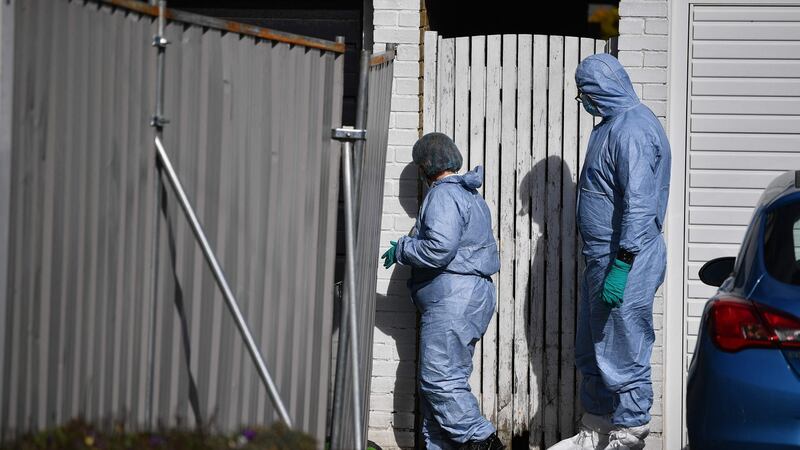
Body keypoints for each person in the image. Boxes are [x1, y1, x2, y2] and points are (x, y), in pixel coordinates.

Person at [549, 54, 671, 450]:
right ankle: (597, 426)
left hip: (625, 260)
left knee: (623, 348)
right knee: (593, 348)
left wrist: (622, 264)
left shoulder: (632, 130)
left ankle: (630, 433)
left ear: (599, 89)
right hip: (602, 258)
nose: (582, 100)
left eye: (583, 93)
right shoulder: (609, 127)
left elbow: (639, 204)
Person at [381, 132, 504, 450]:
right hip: (469, 297)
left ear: (424, 166)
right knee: (446, 382)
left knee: (438, 381)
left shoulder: (443, 196)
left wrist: (405, 248)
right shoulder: (470, 195)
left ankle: (482, 440)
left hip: (454, 299)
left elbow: (439, 249)